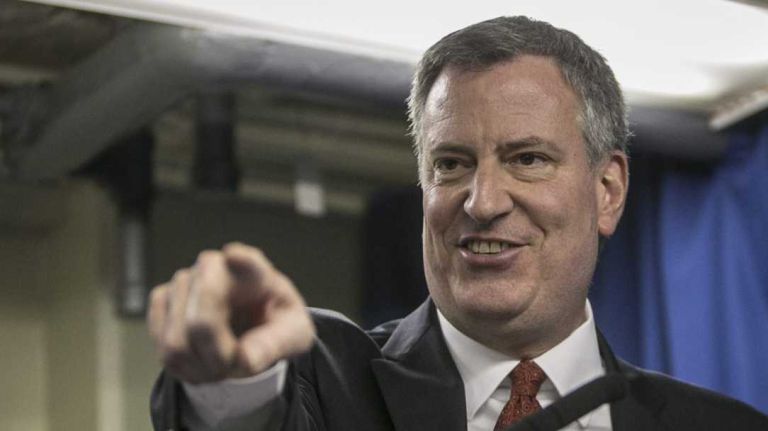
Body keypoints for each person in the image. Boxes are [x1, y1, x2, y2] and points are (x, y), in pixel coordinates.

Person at [148, 16, 768, 431]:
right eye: (452, 164)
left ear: (607, 191)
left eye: (527, 159)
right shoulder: (322, 378)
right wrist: (229, 382)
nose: (482, 201)